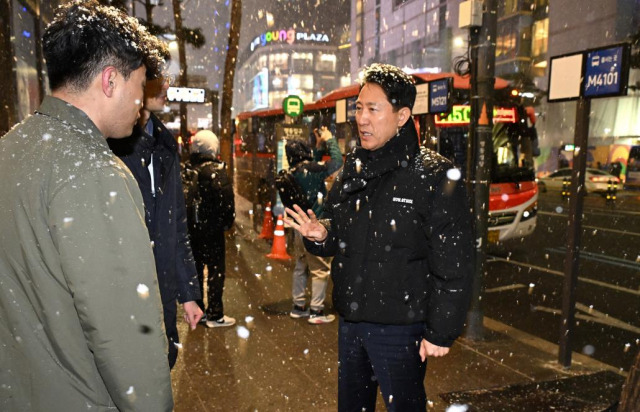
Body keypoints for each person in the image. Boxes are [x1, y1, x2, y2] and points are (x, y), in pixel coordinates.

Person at [0, 1, 173, 410]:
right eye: (140, 85)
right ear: (111, 80)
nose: (141, 103)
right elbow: (128, 337)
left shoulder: (11, 151)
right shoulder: (95, 174)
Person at [284, 63, 474, 411]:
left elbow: (455, 259)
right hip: (352, 323)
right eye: (359, 107)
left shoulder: (434, 174)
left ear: (402, 116)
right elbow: (336, 227)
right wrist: (319, 232)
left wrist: (441, 330)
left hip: (402, 330)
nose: (362, 118)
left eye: (373, 108)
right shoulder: (354, 166)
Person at [108, 59, 203, 369]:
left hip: (161, 294)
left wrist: (188, 293)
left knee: (163, 365)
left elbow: (176, 225)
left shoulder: (165, 144)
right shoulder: (112, 144)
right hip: (124, 298)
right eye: (157, 77)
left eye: (167, 77)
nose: (166, 85)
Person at [286, 127, 343, 324]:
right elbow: (337, 162)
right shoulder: (311, 170)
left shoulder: (292, 171)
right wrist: (330, 140)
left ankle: (298, 305)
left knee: (300, 266)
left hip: (297, 229)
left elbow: (312, 166)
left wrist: (319, 148)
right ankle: (317, 311)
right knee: (320, 269)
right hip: (314, 228)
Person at [185, 130, 236, 328]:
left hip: (192, 231)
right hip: (212, 231)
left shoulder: (187, 170)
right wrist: (225, 224)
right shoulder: (216, 171)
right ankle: (215, 314)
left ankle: (198, 311)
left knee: (196, 271)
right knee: (215, 272)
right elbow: (226, 203)